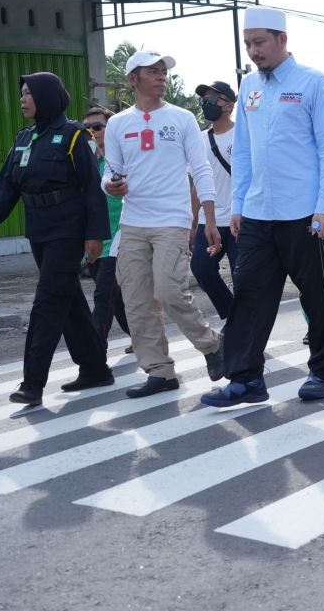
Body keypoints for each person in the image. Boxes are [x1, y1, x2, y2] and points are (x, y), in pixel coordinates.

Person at [200, 7, 324, 407]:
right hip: (259, 213)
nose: (253, 51)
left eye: (259, 42)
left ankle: (322, 371)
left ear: (282, 39)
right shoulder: (248, 87)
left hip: (303, 213)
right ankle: (246, 379)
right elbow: (243, 150)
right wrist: (238, 204)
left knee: (315, 294)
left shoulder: (312, 82)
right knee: (250, 294)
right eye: (248, 43)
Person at [0, 72, 115, 405]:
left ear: (46, 97)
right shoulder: (25, 138)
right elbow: (6, 185)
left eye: (27, 94)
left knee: (48, 300)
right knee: (69, 302)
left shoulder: (74, 137)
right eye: (22, 94)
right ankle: (95, 369)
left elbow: (93, 189)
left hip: (68, 231)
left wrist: (95, 235)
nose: (22, 99)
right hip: (38, 230)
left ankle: (32, 383)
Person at [104, 51, 223, 398]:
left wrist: (208, 219)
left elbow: (201, 169)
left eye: (163, 72)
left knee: (170, 291)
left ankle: (213, 346)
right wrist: (111, 186)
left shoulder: (182, 118)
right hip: (133, 221)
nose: (161, 77)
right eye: (152, 72)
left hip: (172, 218)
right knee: (137, 300)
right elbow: (111, 173)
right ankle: (159, 371)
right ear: (132, 79)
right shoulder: (118, 124)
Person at [189, 80, 238, 320]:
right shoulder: (198, 139)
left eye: (213, 98)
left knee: (243, 277)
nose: (206, 103)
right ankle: (232, 315)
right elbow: (196, 184)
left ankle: (244, 330)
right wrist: (191, 223)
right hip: (207, 221)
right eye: (204, 99)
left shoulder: (243, 135)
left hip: (240, 220)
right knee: (201, 269)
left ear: (228, 105)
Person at [81, 106, 129, 344]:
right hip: (96, 239)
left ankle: (94, 353)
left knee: (102, 295)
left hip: (121, 237)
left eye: (97, 127)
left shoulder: (123, 159)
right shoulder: (88, 162)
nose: (92, 132)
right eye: (87, 128)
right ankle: (142, 337)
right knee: (115, 299)